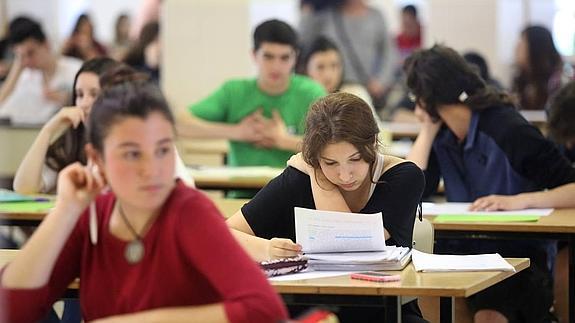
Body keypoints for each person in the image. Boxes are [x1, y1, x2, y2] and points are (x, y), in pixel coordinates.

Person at [0, 75, 288, 322]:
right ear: (97, 159)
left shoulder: (188, 211)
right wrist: (65, 210)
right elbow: (11, 309)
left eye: (162, 150)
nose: (152, 170)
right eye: (132, 154)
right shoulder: (92, 216)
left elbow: (264, 310)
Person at [405, 45, 575, 323]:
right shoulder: (441, 134)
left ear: (427, 98)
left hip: (517, 255)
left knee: (489, 314)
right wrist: (427, 130)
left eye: (417, 97)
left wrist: (521, 200)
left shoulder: (507, 128)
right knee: (423, 296)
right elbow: (413, 190)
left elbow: (571, 185)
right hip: (460, 251)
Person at [227, 92, 426, 322]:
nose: (344, 175)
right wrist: (268, 249)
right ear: (314, 156)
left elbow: (351, 241)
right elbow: (222, 235)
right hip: (312, 309)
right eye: (330, 163)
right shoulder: (298, 178)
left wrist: (318, 175)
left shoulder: (404, 177)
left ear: (372, 144)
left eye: (356, 159)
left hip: (384, 311)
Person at [179, 19, 325, 197]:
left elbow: (332, 147)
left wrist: (283, 140)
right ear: (254, 55)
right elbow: (179, 124)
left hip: (295, 195)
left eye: (284, 58)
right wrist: (237, 132)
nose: (276, 66)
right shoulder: (234, 91)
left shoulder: (311, 92)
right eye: (268, 56)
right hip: (241, 196)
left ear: (295, 57)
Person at [13, 60, 194, 194]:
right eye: (79, 95)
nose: (84, 103)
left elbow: (185, 191)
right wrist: (48, 130)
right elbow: (24, 188)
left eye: (94, 94)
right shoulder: (73, 140)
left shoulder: (146, 142)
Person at [299, 0, 398, 109]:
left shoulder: (376, 16)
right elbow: (303, 39)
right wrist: (309, 8)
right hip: (329, 88)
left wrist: (381, 81)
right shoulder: (327, 14)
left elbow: (388, 52)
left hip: (365, 87)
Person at [0, 16, 82, 125]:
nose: (27, 61)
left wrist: (69, 99)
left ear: (46, 44)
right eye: (21, 56)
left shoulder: (75, 70)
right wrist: (16, 69)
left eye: (31, 53)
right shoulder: (25, 77)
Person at [298, 36, 381, 125]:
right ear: (305, 69)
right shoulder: (299, 96)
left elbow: (375, 133)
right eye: (320, 67)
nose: (328, 75)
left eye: (334, 65)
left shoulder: (355, 94)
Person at [512, 25, 573, 111]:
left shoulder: (559, 81)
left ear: (535, 48)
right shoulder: (521, 80)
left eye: (522, 43)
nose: (516, 48)